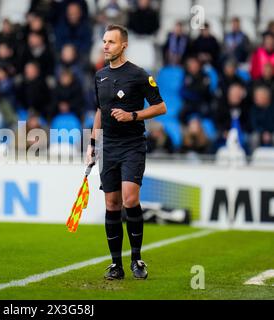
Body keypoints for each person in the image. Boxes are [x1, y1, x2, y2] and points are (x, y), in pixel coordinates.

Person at [87, 25, 166, 280]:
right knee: (111, 204)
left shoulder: (139, 75)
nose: (105, 46)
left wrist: (133, 115)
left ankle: (137, 260)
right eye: (104, 41)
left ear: (124, 45)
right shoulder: (99, 76)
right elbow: (99, 111)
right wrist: (92, 144)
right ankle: (115, 265)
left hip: (132, 145)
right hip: (108, 145)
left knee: (129, 200)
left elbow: (161, 107)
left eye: (110, 42)